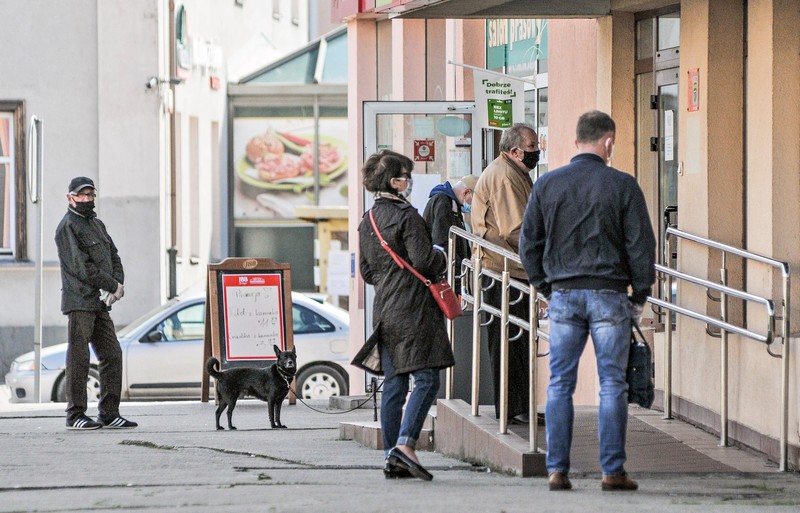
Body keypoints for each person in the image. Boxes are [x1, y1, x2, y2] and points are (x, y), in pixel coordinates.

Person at [519, 111, 656, 492]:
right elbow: (641, 245)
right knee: (612, 384)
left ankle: (556, 470)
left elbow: (528, 243)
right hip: (610, 295)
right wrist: (640, 293)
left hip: (563, 294)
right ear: (608, 142)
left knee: (560, 383)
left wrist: (546, 286)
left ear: (575, 142)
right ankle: (612, 472)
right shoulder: (623, 185)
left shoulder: (547, 184)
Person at [356, 150, 455, 481]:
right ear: (394, 182)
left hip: (385, 309)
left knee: (395, 384)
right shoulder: (407, 216)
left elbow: (368, 272)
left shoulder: (367, 220)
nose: (409, 182)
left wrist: (390, 280)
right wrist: (440, 255)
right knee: (427, 378)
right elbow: (425, 262)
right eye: (405, 177)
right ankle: (405, 446)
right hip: (413, 309)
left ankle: (390, 456)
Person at [55, 176, 138, 430]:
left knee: (112, 354)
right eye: (82, 195)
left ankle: (109, 413)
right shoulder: (67, 227)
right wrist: (111, 285)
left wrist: (118, 283)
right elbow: (82, 268)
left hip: (100, 303)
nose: (88, 199)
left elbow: (113, 255)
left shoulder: (97, 225)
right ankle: (75, 415)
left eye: (91, 195)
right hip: (80, 301)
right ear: (71, 198)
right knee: (78, 359)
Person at [471, 123, 539, 423]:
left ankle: (518, 408)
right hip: (504, 270)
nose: (537, 151)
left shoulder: (513, 172)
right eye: (533, 146)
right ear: (514, 151)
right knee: (509, 343)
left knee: (518, 342)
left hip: (509, 268)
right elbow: (516, 229)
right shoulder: (506, 177)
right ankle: (511, 409)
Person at [422, 175, 478, 293]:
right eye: (474, 199)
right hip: (447, 274)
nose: (473, 205)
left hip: (451, 271)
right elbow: (442, 240)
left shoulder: (451, 205)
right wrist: (458, 267)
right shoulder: (443, 201)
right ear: (466, 192)